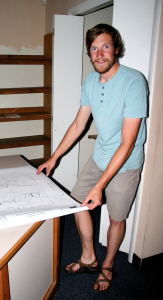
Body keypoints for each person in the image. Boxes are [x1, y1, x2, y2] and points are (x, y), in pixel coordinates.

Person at [36, 23, 147, 292]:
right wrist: (54, 157)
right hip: (99, 157)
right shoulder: (89, 81)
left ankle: (107, 264)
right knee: (76, 202)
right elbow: (78, 125)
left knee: (116, 219)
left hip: (125, 163)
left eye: (105, 46)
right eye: (94, 48)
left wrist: (100, 187)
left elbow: (128, 142)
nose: (99, 53)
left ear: (116, 48)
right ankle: (88, 257)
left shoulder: (134, 81)